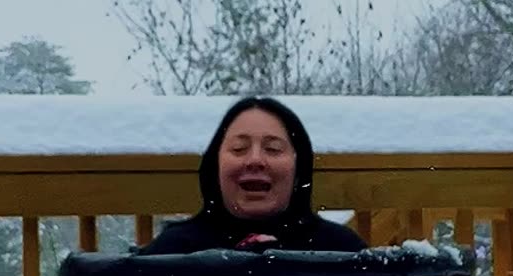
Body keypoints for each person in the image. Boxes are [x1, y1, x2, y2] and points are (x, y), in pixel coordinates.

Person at [138, 96, 369, 255]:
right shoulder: (174, 253)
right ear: (214, 167)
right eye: (239, 149)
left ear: (299, 170)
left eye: (273, 149)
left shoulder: (340, 252)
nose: (255, 160)